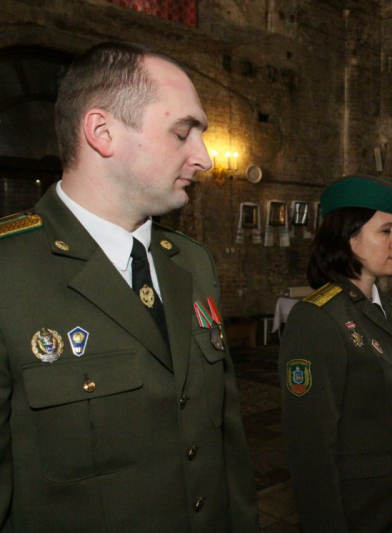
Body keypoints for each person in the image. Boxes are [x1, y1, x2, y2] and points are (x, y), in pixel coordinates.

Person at [0, 42, 258, 531]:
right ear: (102, 132)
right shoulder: (9, 271)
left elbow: (226, 443)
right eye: (182, 133)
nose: (203, 158)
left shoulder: (191, 262)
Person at [279, 174, 392, 533]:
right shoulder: (317, 318)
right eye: (386, 231)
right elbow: (311, 448)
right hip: (362, 510)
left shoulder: (388, 307)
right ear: (348, 237)